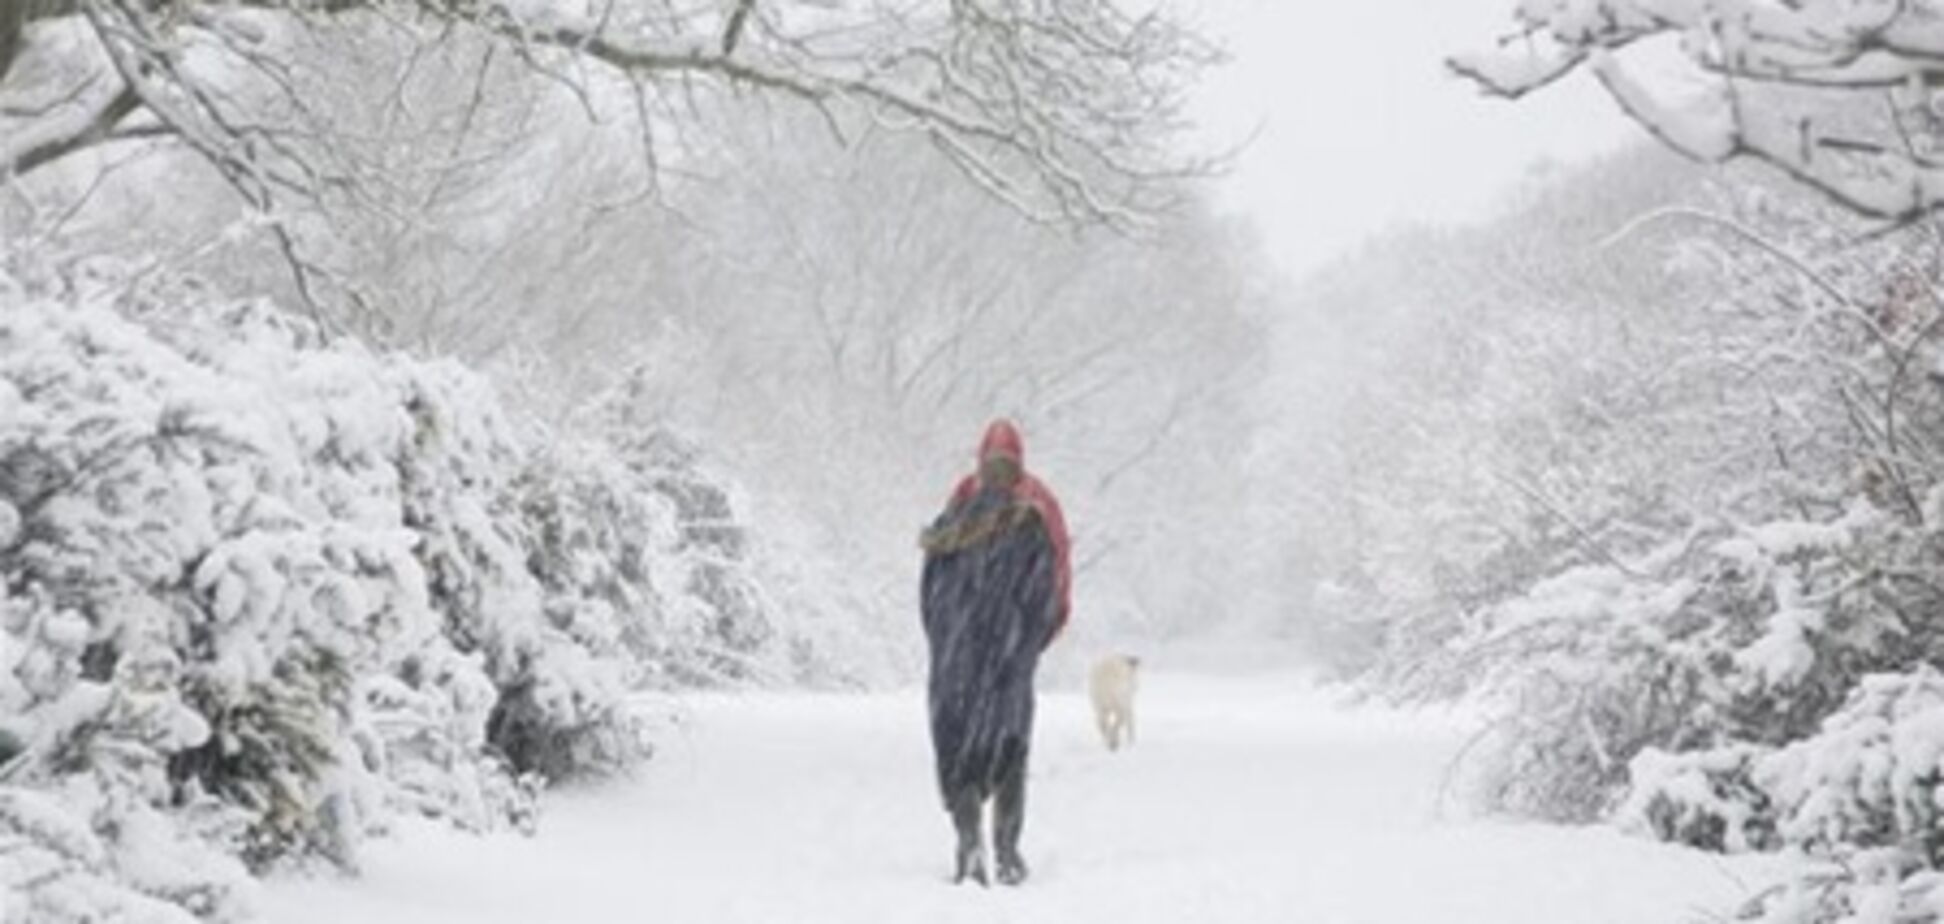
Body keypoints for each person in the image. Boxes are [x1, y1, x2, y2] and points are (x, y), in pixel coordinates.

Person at [918, 419, 1071, 886]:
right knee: (1010, 750)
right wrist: (1027, 645)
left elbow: (931, 592)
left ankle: (968, 842)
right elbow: (1053, 590)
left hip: (958, 660)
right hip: (1008, 660)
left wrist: (947, 643)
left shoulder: (954, 515)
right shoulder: (1037, 516)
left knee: (959, 749)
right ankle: (1006, 851)